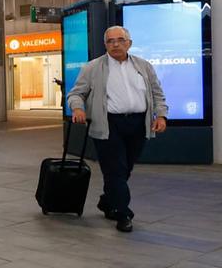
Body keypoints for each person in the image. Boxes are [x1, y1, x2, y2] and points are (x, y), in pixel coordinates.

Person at [67, 26, 168, 233]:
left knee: (125, 168)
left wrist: (162, 115)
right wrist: (77, 108)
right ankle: (123, 213)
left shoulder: (144, 66)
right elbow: (76, 93)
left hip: (138, 124)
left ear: (129, 43)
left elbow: (157, 93)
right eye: (110, 41)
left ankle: (107, 201)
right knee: (115, 169)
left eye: (120, 40)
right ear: (105, 45)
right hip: (108, 125)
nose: (115, 44)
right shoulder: (93, 67)